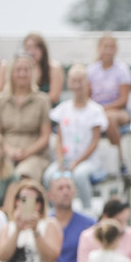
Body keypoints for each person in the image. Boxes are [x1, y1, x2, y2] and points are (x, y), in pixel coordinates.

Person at [42, 64, 108, 210]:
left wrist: (77, 162)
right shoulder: (62, 110)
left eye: (81, 80)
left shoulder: (95, 111)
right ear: (69, 83)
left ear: (87, 83)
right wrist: (60, 159)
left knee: (79, 175)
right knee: (50, 176)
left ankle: (87, 210)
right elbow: (59, 139)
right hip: (65, 160)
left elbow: (95, 141)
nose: (77, 85)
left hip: (88, 161)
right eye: (74, 81)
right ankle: (55, 211)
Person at [0, 53, 52, 181]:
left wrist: (26, 152)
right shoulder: (0, 99)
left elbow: (45, 136)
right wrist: (9, 150)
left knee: (23, 174)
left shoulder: (42, 100)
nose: (22, 74)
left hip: (34, 155)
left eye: (26, 70)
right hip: (4, 154)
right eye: (18, 70)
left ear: (32, 73)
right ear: (11, 73)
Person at [87, 33, 131, 172]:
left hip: (118, 110)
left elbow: (123, 100)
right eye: (105, 47)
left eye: (111, 47)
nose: (108, 50)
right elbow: (87, 97)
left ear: (116, 49)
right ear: (99, 49)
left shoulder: (122, 71)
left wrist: (103, 109)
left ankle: (119, 159)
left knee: (109, 118)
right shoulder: (91, 70)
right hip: (96, 110)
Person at [47, 175, 96, 262]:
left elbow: (95, 261)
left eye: (69, 187)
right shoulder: (41, 224)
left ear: (75, 192)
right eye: (60, 188)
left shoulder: (90, 224)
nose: (65, 192)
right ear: (50, 195)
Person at [21, 32, 65, 106]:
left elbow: (54, 96)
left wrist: (31, 102)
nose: (32, 52)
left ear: (42, 49)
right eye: (28, 48)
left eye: (35, 47)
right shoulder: (23, 71)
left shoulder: (53, 67)